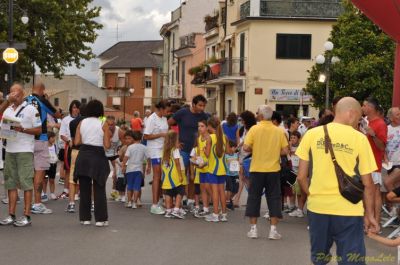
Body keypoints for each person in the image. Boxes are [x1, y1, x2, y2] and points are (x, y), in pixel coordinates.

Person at [296, 97, 379, 265]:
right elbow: (368, 184)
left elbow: (300, 177)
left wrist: (313, 196)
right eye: (359, 117)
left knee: (319, 259)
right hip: (349, 211)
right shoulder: (360, 139)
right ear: (351, 113)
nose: (359, 121)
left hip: (318, 209)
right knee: (351, 260)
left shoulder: (311, 134)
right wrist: (369, 215)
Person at [243, 105, 289, 240]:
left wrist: (256, 149)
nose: (257, 115)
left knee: (254, 197)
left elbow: (246, 147)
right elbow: (286, 151)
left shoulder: (254, 129)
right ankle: (273, 230)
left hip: (257, 169)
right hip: (273, 170)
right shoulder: (279, 131)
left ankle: (253, 229)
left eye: (257, 113)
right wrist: (274, 152)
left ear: (261, 116)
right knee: (274, 198)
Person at [0, 83, 42, 227]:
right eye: (11, 93)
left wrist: (22, 129)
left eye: (16, 93)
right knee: (10, 183)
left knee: (25, 183)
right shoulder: (7, 110)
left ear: (22, 94)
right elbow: (3, 126)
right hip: (10, 149)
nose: (14, 96)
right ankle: (11, 215)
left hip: (24, 149)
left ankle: (26, 215)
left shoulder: (31, 109)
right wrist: (4, 134)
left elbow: (38, 130)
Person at [73, 100, 111, 227]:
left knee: (84, 189)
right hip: (97, 156)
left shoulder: (81, 122)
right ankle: (100, 219)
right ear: (100, 110)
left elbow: (77, 141)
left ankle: (85, 218)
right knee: (99, 188)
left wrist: (87, 137)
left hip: (83, 155)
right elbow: (107, 145)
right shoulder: (103, 123)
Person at [26, 83, 62, 214]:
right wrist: (48, 100)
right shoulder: (42, 100)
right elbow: (57, 114)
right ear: (42, 90)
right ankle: (37, 203)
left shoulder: (26, 100)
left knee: (29, 173)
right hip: (40, 139)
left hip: (27, 140)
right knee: (39, 172)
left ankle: (28, 203)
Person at [168, 95, 210, 208]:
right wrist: (175, 141)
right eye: (200, 105)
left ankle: (191, 200)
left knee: (193, 177)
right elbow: (169, 123)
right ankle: (177, 200)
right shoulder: (182, 113)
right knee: (180, 174)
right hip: (183, 150)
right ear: (193, 104)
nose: (202, 108)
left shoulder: (204, 116)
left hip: (197, 152)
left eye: (204, 105)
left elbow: (210, 130)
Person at [361, 97, 387, 227]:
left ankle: (375, 222)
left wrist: (373, 134)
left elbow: (382, 147)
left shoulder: (380, 124)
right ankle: (371, 221)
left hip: (374, 164)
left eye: (364, 105)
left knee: (374, 193)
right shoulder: (367, 122)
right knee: (370, 193)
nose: (362, 108)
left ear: (371, 108)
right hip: (366, 163)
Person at [143, 100, 170, 215]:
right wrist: (161, 135)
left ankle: (159, 201)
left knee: (163, 176)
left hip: (163, 149)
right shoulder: (152, 119)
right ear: (161, 109)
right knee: (157, 176)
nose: (168, 113)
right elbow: (146, 136)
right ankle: (154, 205)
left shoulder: (164, 119)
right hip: (154, 150)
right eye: (167, 111)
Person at [205, 117, 228, 222]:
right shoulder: (224, 137)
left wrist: (204, 149)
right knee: (222, 191)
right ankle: (224, 215)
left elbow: (207, 154)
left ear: (209, 126)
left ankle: (215, 214)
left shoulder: (210, 138)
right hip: (222, 169)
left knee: (214, 192)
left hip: (213, 168)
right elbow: (228, 151)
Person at [65, 103, 87, 213]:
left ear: (79, 110)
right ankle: (91, 204)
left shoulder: (72, 122)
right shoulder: (94, 122)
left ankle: (71, 203)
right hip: (88, 151)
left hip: (76, 150)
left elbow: (73, 139)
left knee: (72, 178)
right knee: (89, 178)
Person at [58, 100, 81, 199]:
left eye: (77, 107)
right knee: (68, 169)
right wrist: (69, 141)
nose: (75, 109)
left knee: (80, 170)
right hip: (69, 147)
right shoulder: (65, 120)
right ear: (71, 108)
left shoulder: (82, 119)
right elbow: (62, 134)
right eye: (74, 107)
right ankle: (66, 190)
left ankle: (78, 192)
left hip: (80, 147)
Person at [233, 110, 257, 208]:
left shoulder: (254, 130)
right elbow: (240, 143)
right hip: (242, 156)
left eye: (243, 119)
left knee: (247, 179)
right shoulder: (241, 129)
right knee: (242, 178)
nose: (241, 121)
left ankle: (247, 199)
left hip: (251, 156)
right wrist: (237, 149)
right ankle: (238, 199)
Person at [122, 130, 150, 208]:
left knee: (129, 186)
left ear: (133, 139)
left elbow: (126, 157)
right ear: (141, 138)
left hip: (130, 170)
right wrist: (149, 167)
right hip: (139, 170)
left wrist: (123, 166)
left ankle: (129, 202)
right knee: (137, 187)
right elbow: (148, 158)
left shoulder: (130, 147)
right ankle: (135, 202)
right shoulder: (144, 147)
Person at [161, 130, 185, 219]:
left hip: (166, 175)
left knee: (168, 193)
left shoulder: (164, 150)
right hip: (174, 175)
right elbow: (177, 163)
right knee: (180, 191)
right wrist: (180, 175)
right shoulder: (175, 150)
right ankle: (176, 209)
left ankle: (168, 210)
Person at [105, 116, 124, 200]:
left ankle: (114, 190)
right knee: (103, 173)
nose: (110, 127)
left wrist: (121, 152)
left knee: (115, 174)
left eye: (112, 125)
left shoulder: (119, 131)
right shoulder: (103, 130)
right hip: (104, 153)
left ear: (115, 124)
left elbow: (125, 143)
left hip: (115, 153)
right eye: (108, 125)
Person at [287, 131, 305, 218]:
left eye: (294, 138)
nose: (292, 139)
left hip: (299, 171)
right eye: (291, 138)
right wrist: (289, 146)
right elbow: (288, 153)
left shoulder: (301, 146)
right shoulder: (289, 146)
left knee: (299, 192)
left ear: (299, 138)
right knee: (292, 190)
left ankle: (299, 209)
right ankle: (292, 206)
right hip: (292, 170)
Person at [383, 107, 400, 191]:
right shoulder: (386, 129)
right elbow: (383, 146)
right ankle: (394, 203)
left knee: (387, 182)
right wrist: (385, 158)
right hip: (390, 164)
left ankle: (393, 201)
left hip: (399, 163)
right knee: (396, 186)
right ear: (391, 118)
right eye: (397, 114)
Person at [43, 131, 58, 201]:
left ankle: (52, 193)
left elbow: (56, 153)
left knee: (52, 180)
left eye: (54, 137)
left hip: (53, 165)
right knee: (45, 179)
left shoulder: (54, 146)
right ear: (48, 138)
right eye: (52, 138)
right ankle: (44, 193)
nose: (54, 139)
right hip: (46, 165)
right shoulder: (44, 145)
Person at [225, 140, 240, 211]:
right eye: (233, 147)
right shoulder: (225, 156)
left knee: (235, 189)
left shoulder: (236, 155)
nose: (234, 149)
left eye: (235, 147)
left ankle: (229, 199)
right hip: (228, 174)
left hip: (235, 174)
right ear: (229, 148)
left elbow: (238, 163)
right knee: (229, 188)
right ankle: (227, 202)